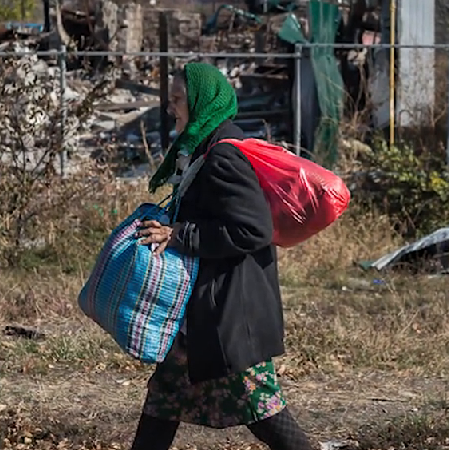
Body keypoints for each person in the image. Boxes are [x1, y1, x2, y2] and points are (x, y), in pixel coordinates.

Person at [133, 63, 315, 450]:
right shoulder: (204, 149)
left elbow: (252, 229)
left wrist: (179, 234)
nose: (171, 109)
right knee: (164, 399)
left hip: (230, 310)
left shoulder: (222, 157)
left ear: (200, 102)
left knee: (261, 406)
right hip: (203, 309)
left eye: (178, 100)